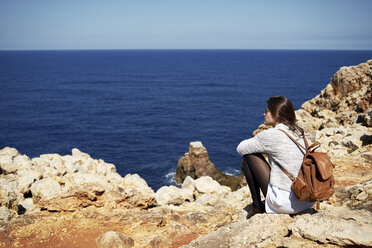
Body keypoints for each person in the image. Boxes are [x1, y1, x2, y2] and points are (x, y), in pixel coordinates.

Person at [236, 96, 314, 214]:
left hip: (285, 203)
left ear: (276, 114)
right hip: (307, 199)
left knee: (249, 156)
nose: (264, 114)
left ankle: (257, 206)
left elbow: (241, 148)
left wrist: (261, 146)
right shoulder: (300, 132)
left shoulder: (273, 134)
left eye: (267, 111)